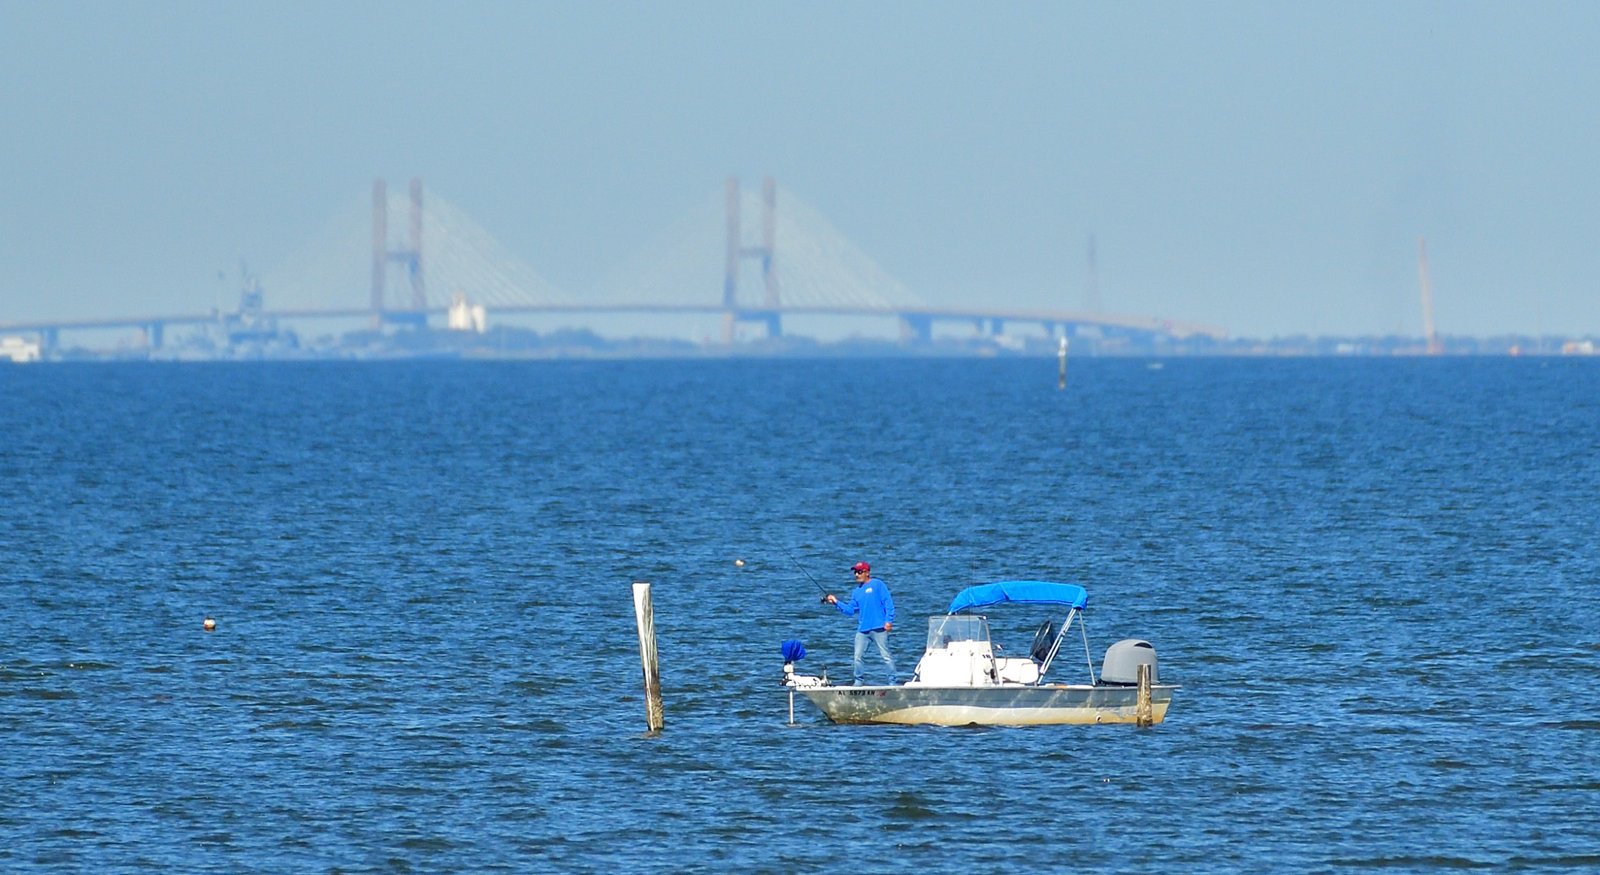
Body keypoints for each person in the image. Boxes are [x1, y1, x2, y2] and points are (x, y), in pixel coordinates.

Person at [824, 561, 897, 685]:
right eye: (855, 572)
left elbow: (888, 603)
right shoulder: (856, 592)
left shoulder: (878, 584)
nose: (856, 575)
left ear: (867, 572)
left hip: (879, 627)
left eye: (859, 572)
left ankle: (892, 682)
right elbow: (850, 610)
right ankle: (858, 681)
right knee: (857, 657)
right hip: (863, 630)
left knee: (886, 656)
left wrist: (888, 621)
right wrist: (836, 602)